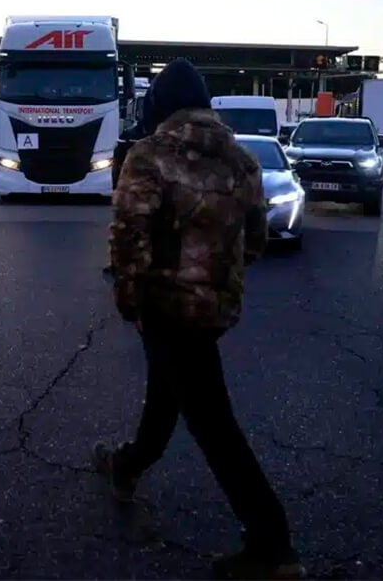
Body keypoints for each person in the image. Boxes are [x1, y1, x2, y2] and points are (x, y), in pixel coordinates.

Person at [96, 59, 303, 579]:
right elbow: (256, 240)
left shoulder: (150, 155)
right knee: (168, 398)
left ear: (159, 107)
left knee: (214, 424)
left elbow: (128, 239)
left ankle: (272, 546)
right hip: (214, 309)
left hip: (165, 308)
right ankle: (124, 466)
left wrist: (131, 301)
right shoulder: (242, 160)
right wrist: (215, 283)